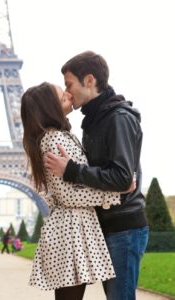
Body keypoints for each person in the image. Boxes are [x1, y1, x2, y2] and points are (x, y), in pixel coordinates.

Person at [44, 51, 149, 300]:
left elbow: (123, 177)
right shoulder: (95, 119)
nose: (67, 93)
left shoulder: (118, 118)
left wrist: (71, 170)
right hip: (108, 224)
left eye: (69, 84)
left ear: (89, 80)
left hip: (123, 226)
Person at [21, 81, 121, 300]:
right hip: (71, 231)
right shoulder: (55, 138)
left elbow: (57, 192)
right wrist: (115, 192)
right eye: (61, 93)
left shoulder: (55, 136)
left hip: (71, 228)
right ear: (48, 105)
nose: (67, 94)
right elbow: (69, 194)